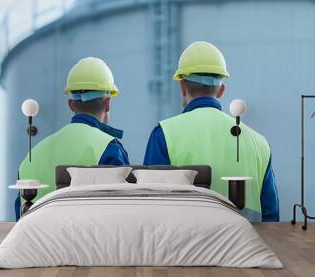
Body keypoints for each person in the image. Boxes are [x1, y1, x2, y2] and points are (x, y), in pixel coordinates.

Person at [143, 41, 279, 222]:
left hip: (186, 249)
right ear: (221, 90)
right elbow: (272, 217)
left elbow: (150, 209)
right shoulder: (259, 144)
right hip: (248, 247)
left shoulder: (164, 135)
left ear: (182, 86)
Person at [15, 57, 129, 220]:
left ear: (71, 105)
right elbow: (122, 214)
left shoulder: (32, 156)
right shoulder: (109, 148)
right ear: (107, 103)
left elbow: (20, 218)